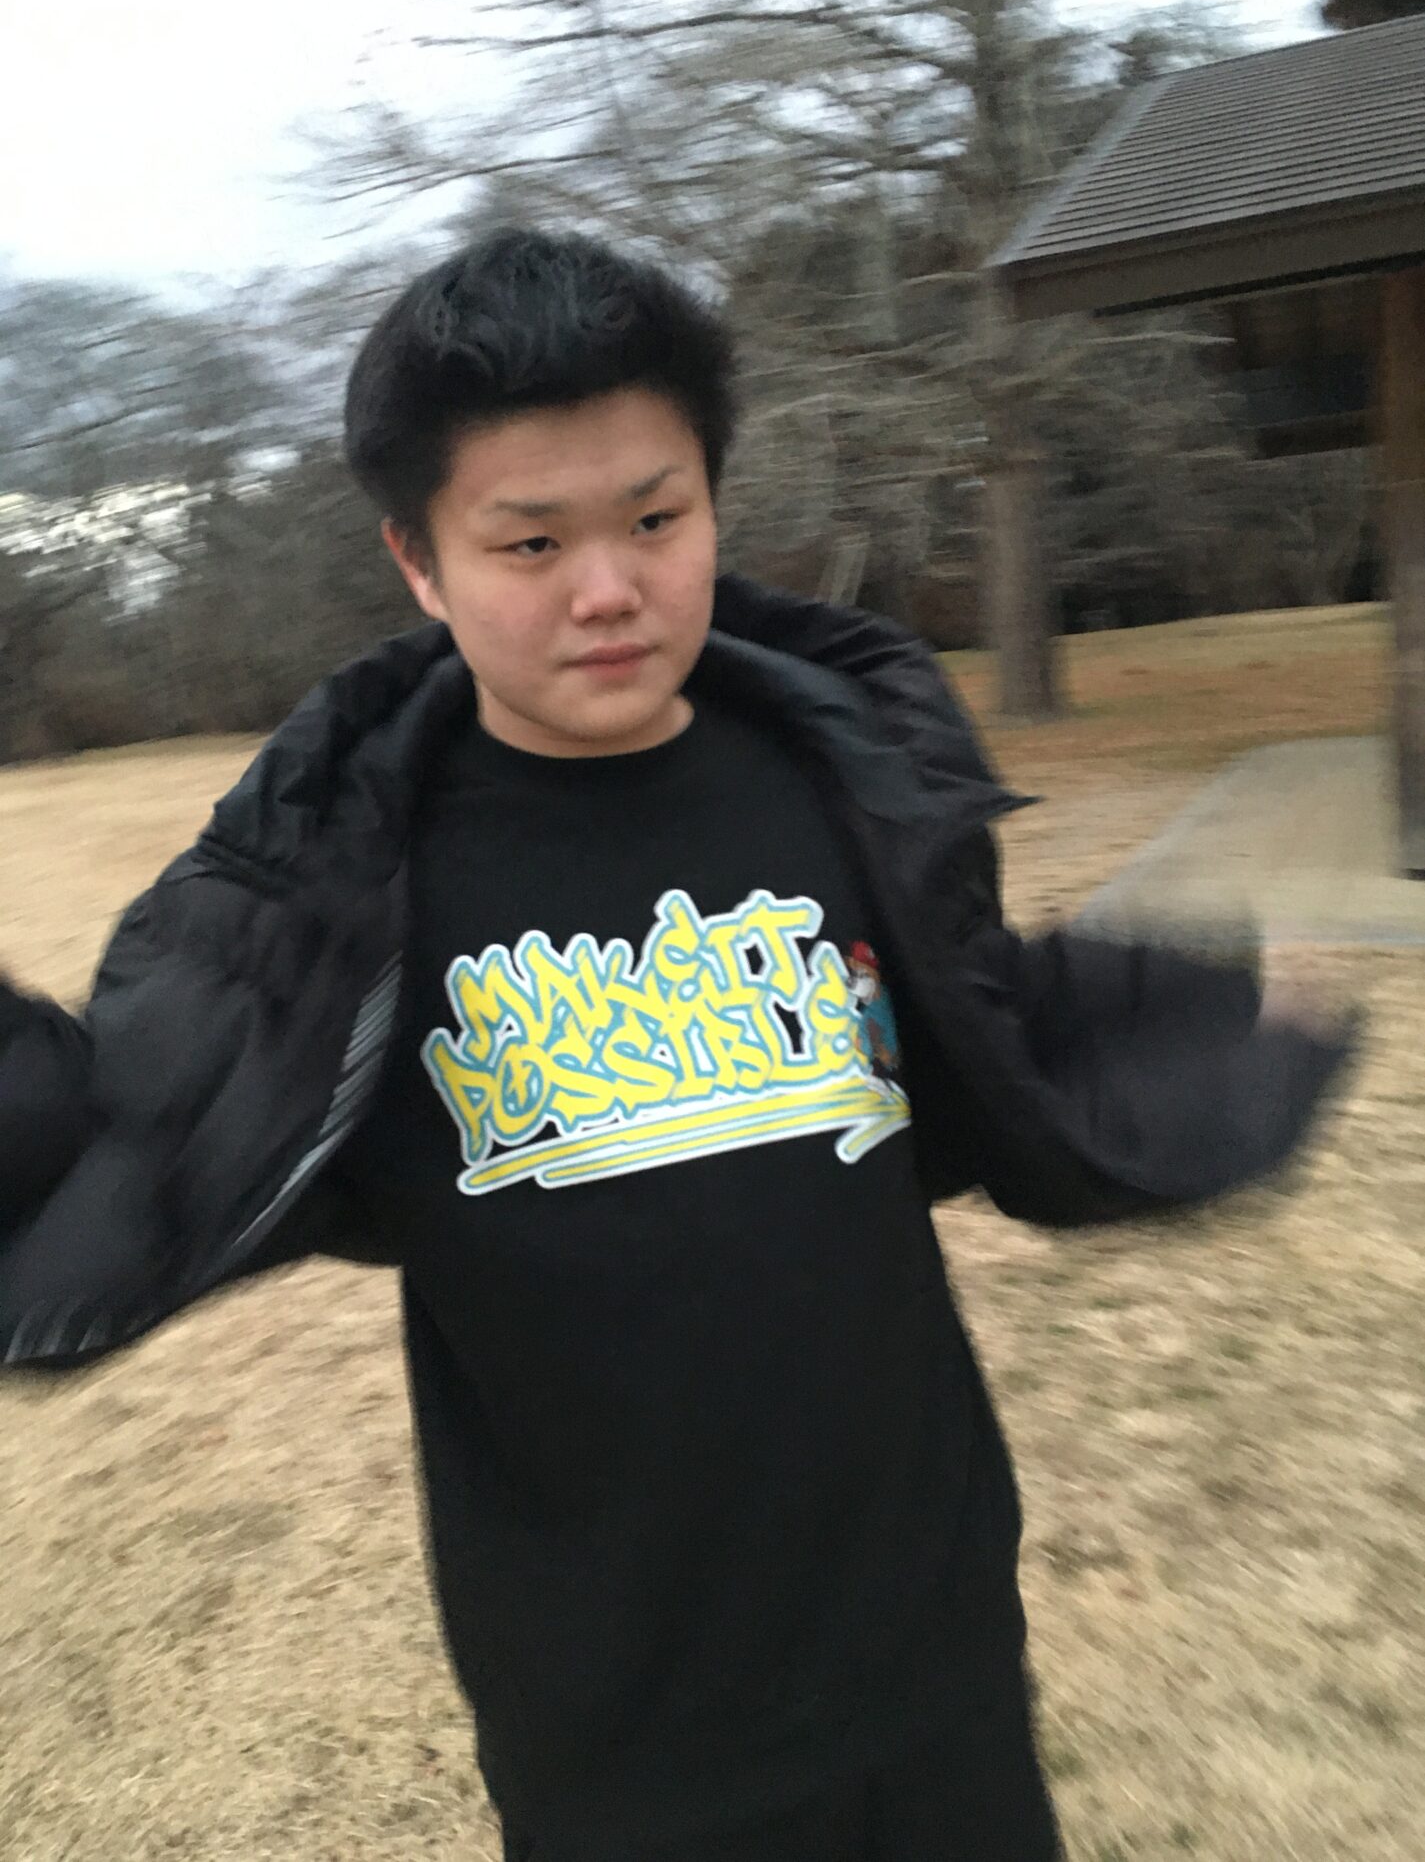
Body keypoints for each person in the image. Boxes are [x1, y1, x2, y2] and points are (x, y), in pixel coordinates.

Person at [0, 229, 1352, 1862]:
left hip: (929, 1652)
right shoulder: (340, 896)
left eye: (656, 519)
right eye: (529, 541)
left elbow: (958, 1051)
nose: (609, 589)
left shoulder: (847, 776)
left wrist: (1168, 1041)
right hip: (614, 1724)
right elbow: (137, 1143)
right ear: (418, 561)